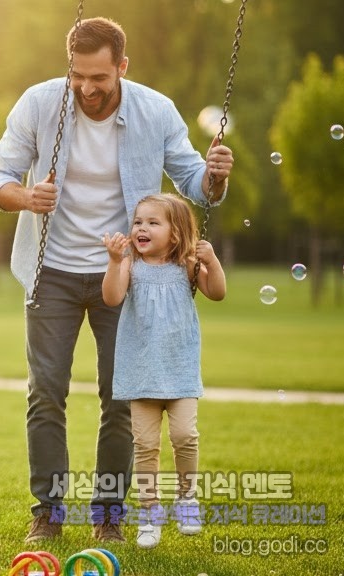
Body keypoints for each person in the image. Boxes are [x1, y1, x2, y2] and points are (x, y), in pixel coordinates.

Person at [0, 16, 234, 543]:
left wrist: (215, 175)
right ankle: (48, 511)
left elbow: (195, 184)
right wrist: (25, 197)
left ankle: (109, 515)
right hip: (50, 270)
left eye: (99, 77)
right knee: (46, 393)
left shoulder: (155, 110)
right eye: (77, 75)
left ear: (122, 66)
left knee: (121, 397)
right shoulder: (40, 102)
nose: (86, 88)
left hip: (123, 277)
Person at [101, 193, 226, 549]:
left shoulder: (187, 267)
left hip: (180, 371)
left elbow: (217, 292)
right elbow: (111, 297)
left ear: (175, 233)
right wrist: (113, 261)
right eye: (138, 221)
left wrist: (212, 261)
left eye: (153, 222)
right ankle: (149, 513)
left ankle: (187, 499)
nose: (142, 228)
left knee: (186, 435)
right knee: (145, 445)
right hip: (141, 373)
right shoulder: (129, 265)